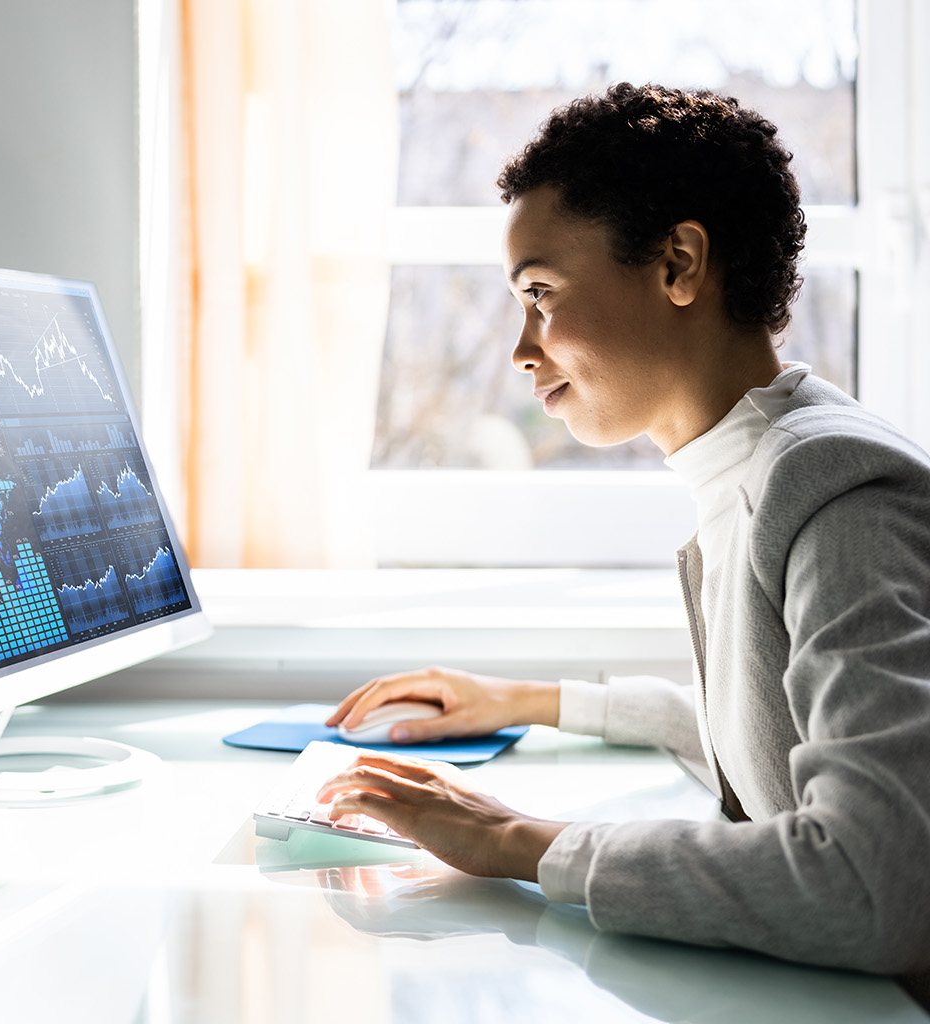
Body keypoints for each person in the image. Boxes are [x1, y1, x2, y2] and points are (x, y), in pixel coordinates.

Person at [318, 83, 930, 986]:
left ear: (680, 263)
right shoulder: (760, 465)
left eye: (541, 293)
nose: (521, 349)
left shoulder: (839, 498)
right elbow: (765, 732)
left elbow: (877, 887)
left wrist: (523, 842)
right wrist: (529, 701)